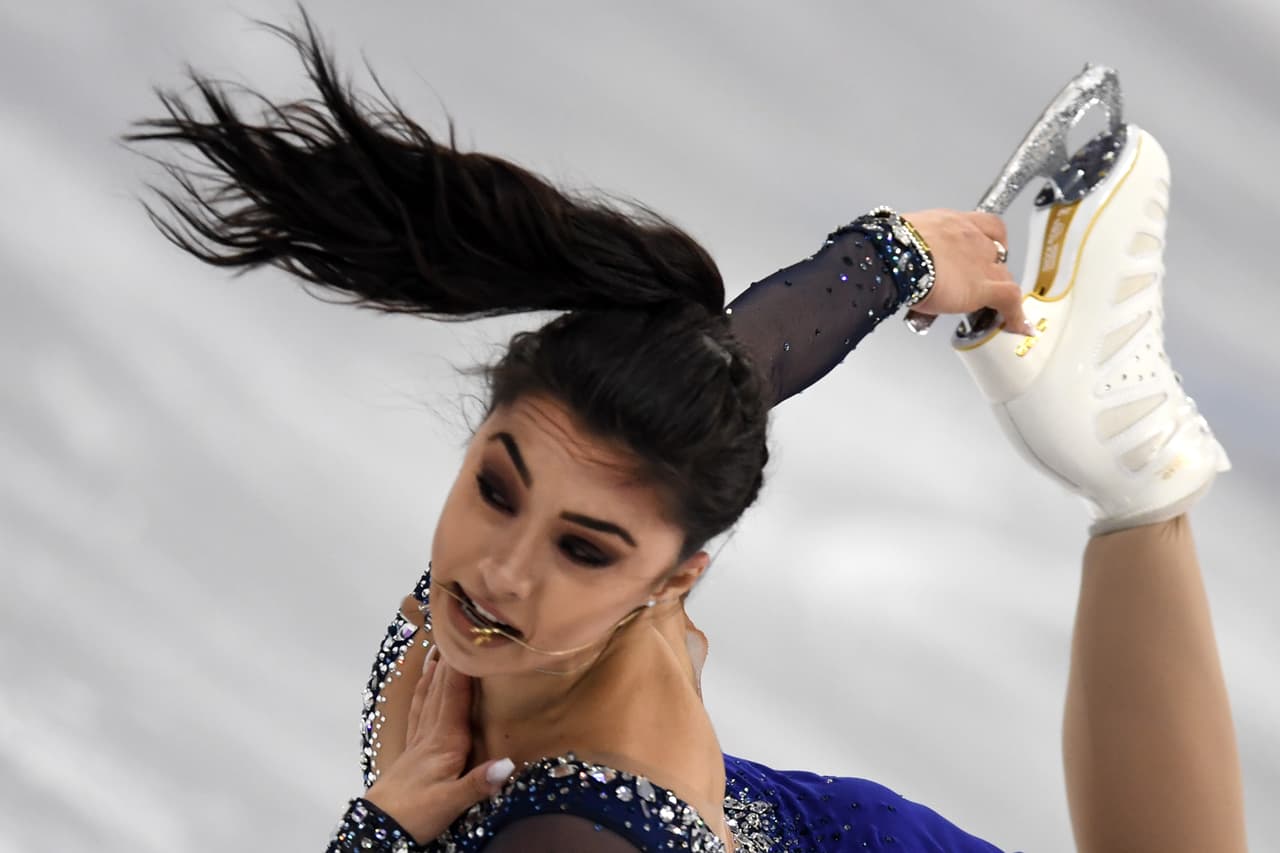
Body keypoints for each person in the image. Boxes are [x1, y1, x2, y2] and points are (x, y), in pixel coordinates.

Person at [127, 14, 1246, 852]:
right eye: (498, 487)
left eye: (583, 549)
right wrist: (889, 258)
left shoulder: (570, 836)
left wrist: (378, 836)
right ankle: (1134, 476)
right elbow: (719, 377)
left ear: (675, 581)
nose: (501, 568)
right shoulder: (558, 557)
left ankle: (1138, 476)